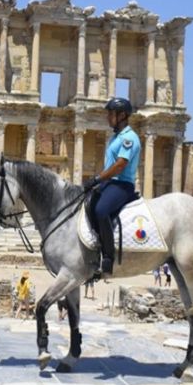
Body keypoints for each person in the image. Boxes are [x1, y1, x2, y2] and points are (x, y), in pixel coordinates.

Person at [83, 97, 141, 276]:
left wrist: (97, 178)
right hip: (110, 183)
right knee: (88, 204)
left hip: (122, 185)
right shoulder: (116, 137)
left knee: (101, 211)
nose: (108, 117)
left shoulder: (129, 138)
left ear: (122, 115)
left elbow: (119, 165)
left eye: (111, 114)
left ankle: (108, 258)